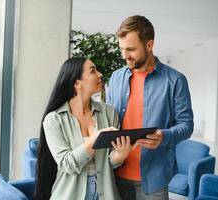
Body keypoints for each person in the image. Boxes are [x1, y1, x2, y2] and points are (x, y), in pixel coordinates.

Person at [106, 15, 194, 200]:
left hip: (154, 179)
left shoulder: (175, 80)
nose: (124, 55)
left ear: (149, 45)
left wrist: (165, 136)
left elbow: (186, 125)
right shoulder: (115, 78)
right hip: (115, 174)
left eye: (131, 49)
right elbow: (108, 119)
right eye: (121, 48)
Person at [34, 57, 137, 200]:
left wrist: (120, 155)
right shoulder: (54, 119)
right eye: (93, 71)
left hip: (105, 193)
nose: (100, 74)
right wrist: (95, 140)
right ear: (77, 83)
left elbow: (108, 162)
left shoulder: (109, 112)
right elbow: (67, 164)